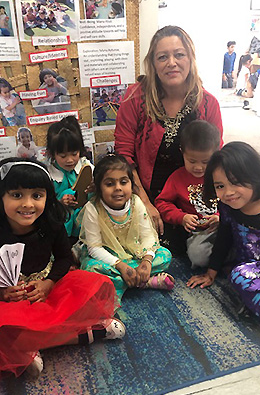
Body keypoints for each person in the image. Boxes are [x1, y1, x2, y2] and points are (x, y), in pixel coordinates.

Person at [0, 158, 125, 378]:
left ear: (47, 197)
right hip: (11, 301)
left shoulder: (51, 223)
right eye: (16, 195)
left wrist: (49, 283)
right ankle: (85, 335)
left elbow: (64, 258)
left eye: (37, 196)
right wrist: (3, 293)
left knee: (96, 285)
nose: (28, 204)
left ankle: (28, 346)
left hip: (48, 289)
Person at [114, 25, 223, 236]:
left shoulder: (209, 103)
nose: (172, 63)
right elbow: (123, 155)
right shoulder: (135, 98)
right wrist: (145, 204)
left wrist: (219, 209)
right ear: (153, 64)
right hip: (145, 195)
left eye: (179, 55)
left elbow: (218, 158)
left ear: (190, 59)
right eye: (162, 57)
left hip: (194, 201)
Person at [77, 154, 174, 303]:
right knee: (91, 268)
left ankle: (124, 281)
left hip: (135, 252)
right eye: (109, 184)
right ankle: (144, 281)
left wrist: (147, 261)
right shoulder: (93, 208)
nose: (118, 188)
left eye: (123, 182)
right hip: (108, 257)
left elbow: (148, 236)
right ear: (99, 187)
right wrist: (120, 266)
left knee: (165, 255)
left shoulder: (136, 202)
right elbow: (94, 249)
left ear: (131, 183)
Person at [186, 142, 260, 317]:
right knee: (238, 275)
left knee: (238, 275)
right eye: (220, 186)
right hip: (247, 266)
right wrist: (211, 273)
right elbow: (224, 237)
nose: (228, 192)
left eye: (236, 182)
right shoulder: (227, 207)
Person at [155, 120, 220, 266]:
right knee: (197, 257)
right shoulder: (177, 178)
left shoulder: (220, 174)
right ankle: (224, 258)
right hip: (199, 233)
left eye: (205, 162)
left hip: (225, 227)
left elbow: (234, 200)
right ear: (182, 152)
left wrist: (221, 218)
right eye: (192, 161)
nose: (198, 167)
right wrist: (181, 217)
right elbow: (162, 202)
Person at [46, 119, 94, 240]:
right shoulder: (49, 175)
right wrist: (60, 203)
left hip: (87, 225)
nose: (70, 160)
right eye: (63, 156)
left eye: (74, 153)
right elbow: (45, 204)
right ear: (52, 154)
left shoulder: (86, 167)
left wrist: (94, 188)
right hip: (61, 228)